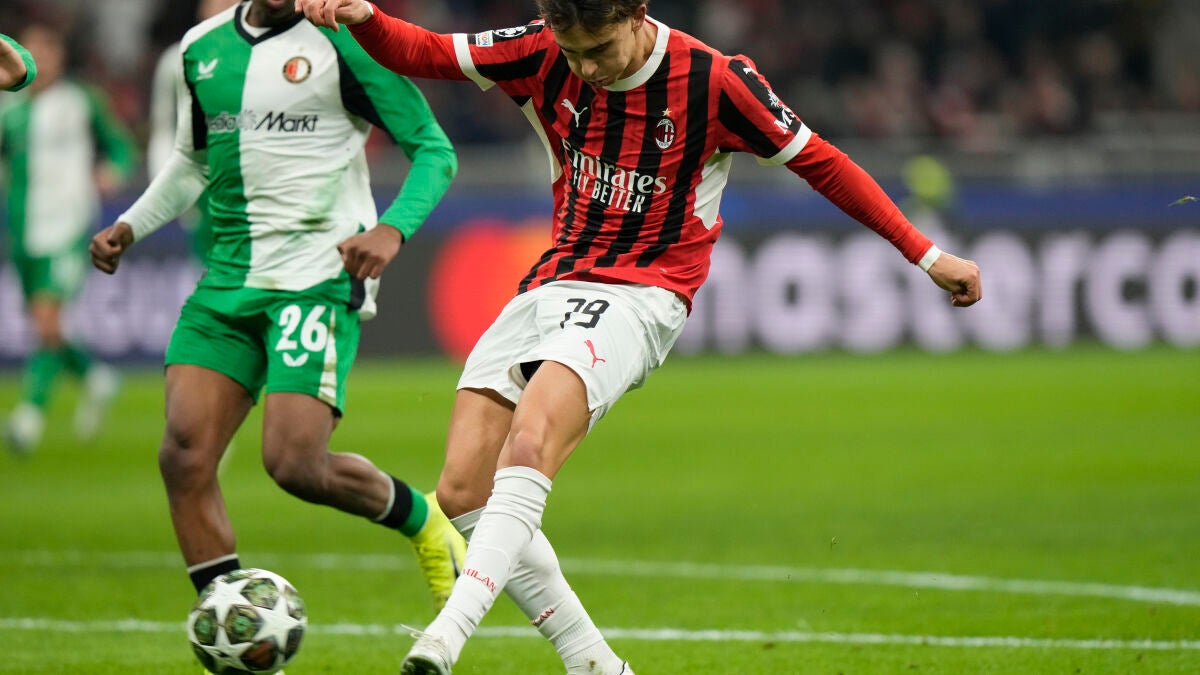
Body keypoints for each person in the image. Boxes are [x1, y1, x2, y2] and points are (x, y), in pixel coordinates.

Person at [295, 1, 984, 674]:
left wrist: (927, 254)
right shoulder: (538, 49)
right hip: (552, 282)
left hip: (643, 294)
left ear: (636, 15)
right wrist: (366, 17)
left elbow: (822, 163)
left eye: (600, 49)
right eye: (574, 54)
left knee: (530, 443)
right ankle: (594, 664)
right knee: (462, 490)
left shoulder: (716, 81)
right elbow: (426, 52)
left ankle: (446, 637)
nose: (588, 69)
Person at [86, 0, 466, 636]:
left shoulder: (346, 42)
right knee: (183, 455)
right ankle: (236, 631)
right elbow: (191, 162)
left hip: (315, 280)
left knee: (294, 464)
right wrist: (131, 225)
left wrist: (392, 229)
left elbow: (434, 149)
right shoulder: (200, 49)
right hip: (228, 280)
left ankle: (424, 520)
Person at [1, 22, 133, 455]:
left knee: (47, 320)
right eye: (32, 49)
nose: (40, 58)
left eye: (47, 50)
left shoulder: (81, 101)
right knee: (47, 325)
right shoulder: (9, 110)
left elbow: (120, 146)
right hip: (24, 230)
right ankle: (95, 376)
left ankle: (29, 417)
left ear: (58, 57)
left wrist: (112, 170)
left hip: (70, 226)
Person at [146, 0, 240, 263]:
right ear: (202, 9)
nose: (224, 9)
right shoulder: (177, 59)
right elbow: (164, 126)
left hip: (254, 182)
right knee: (210, 266)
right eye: (217, 2)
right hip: (203, 185)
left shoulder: (266, 55)